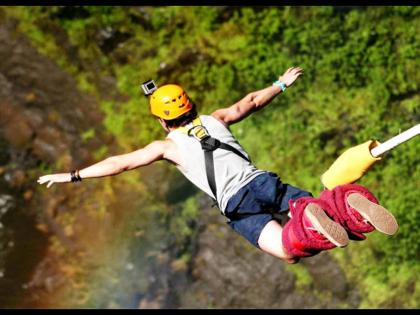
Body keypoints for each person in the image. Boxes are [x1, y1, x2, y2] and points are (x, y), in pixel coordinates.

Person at [37, 67, 398, 264]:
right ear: (191, 107)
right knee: (318, 208)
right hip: (263, 182)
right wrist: (280, 84)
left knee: (289, 249)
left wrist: (73, 175)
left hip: (238, 205)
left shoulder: (165, 147)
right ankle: (346, 206)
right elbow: (251, 102)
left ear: (163, 122)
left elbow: (120, 164)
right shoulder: (216, 119)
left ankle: (308, 223)